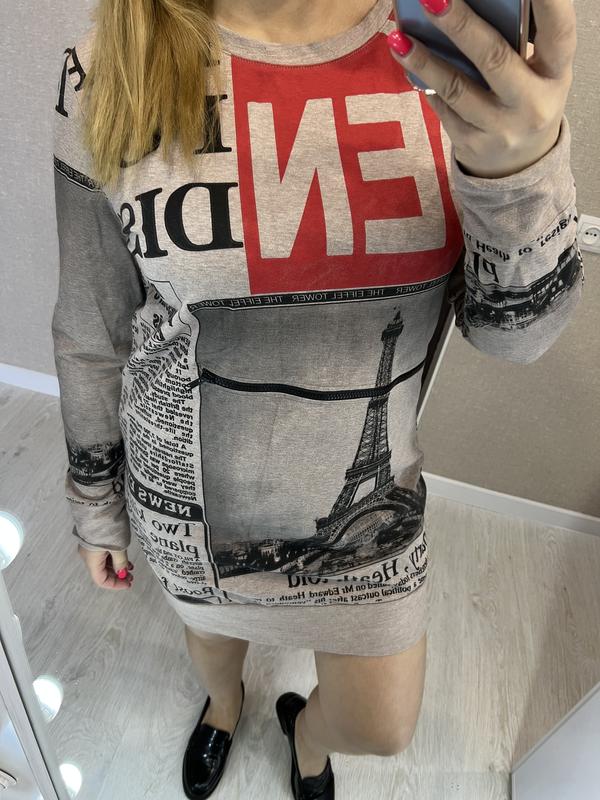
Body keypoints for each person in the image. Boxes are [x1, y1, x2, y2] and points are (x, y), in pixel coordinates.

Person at [51, 0, 582, 798]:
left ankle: (306, 731)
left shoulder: (454, 51)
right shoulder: (106, 63)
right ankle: (224, 707)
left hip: (369, 514)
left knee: (381, 724)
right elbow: (92, 323)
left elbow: (516, 341)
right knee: (213, 647)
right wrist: (94, 502)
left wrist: (520, 174)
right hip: (197, 517)